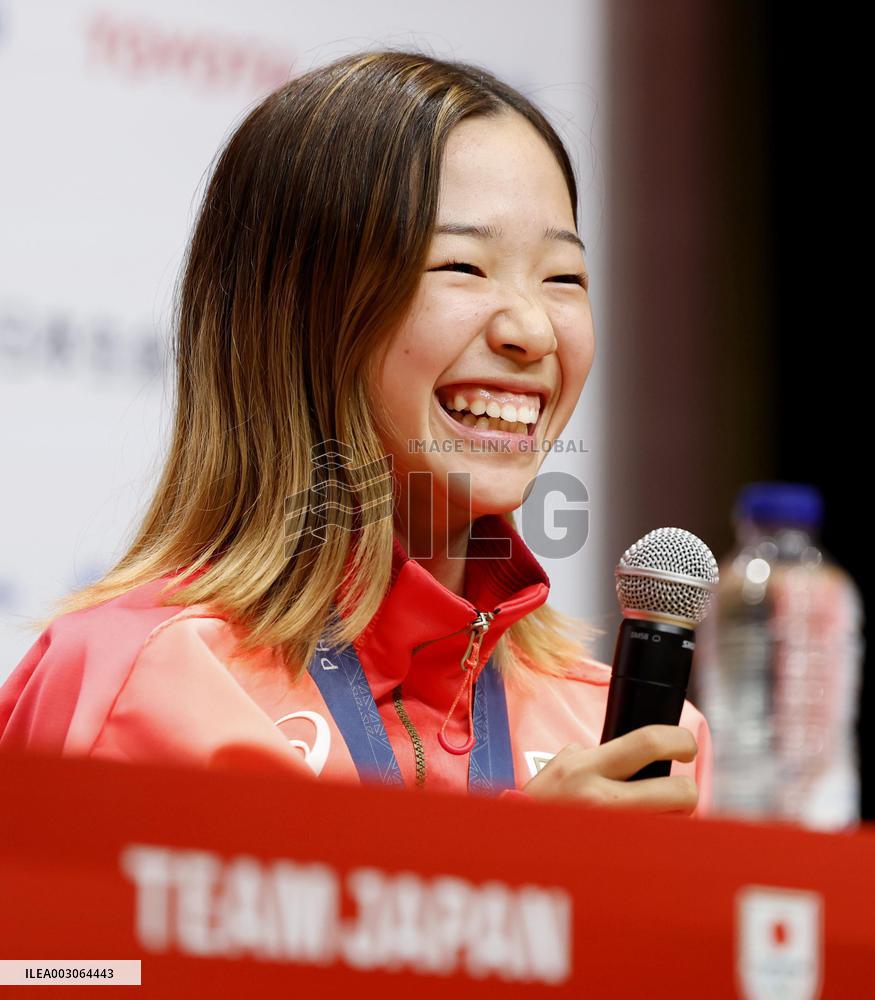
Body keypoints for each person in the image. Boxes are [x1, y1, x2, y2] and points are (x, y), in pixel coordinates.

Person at [0, 49, 711, 816]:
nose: (532, 329)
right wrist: (517, 881)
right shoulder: (135, 683)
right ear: (299, 312)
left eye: (563, 278)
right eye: (463, 267)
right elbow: (54, 943)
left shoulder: (635, 748)